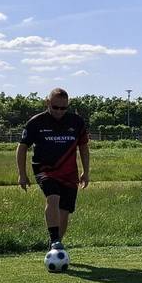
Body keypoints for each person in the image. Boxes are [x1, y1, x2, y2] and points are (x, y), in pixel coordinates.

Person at [17, 88, 90, 252]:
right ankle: (55, 239)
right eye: (55, 107)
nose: (59, 111)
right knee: (53, 197)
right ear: (47, 102)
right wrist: (22, 174)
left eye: (63, 108)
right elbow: (22, 148)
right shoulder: (36, 122)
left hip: (69, 173)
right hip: (45, 170)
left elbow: (84, 147)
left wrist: (86, 171)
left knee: (64, 211)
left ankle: (55, 247)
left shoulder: (76, 122)